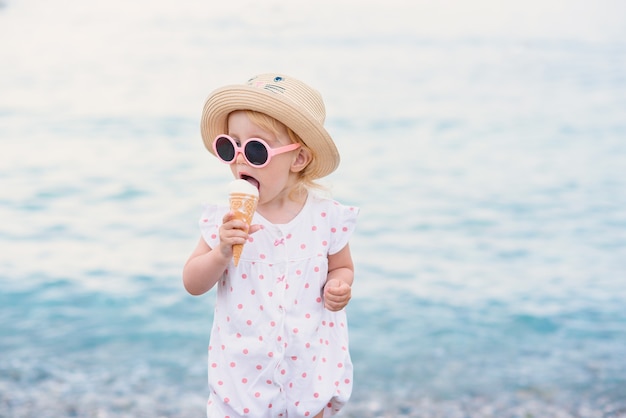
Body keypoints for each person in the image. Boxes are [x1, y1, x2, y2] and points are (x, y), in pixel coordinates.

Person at [183, 73, 359, 418]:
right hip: (242, 382)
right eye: (228, 147)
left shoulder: (326, 218)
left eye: (255, 150)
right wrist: (220, 252)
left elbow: (342, 265)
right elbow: (192, 282)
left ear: (298, 159)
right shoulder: (224, 219)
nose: (239, 160)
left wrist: (340, 285)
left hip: (309, 374)